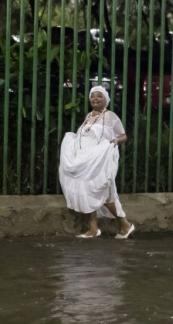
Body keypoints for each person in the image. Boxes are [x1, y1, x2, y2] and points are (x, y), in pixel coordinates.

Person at [59, 86, 135, 239]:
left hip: (101, 160)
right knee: (86, 191)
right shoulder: (89, 115)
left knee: (103, 191)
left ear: (105, 99)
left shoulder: (110, 116)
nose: (95, 99)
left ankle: (125, 224)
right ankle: (93, 229)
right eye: (92, 96)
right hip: (86, 160)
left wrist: (114, 141)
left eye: (99, 96)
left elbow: (123, 135)